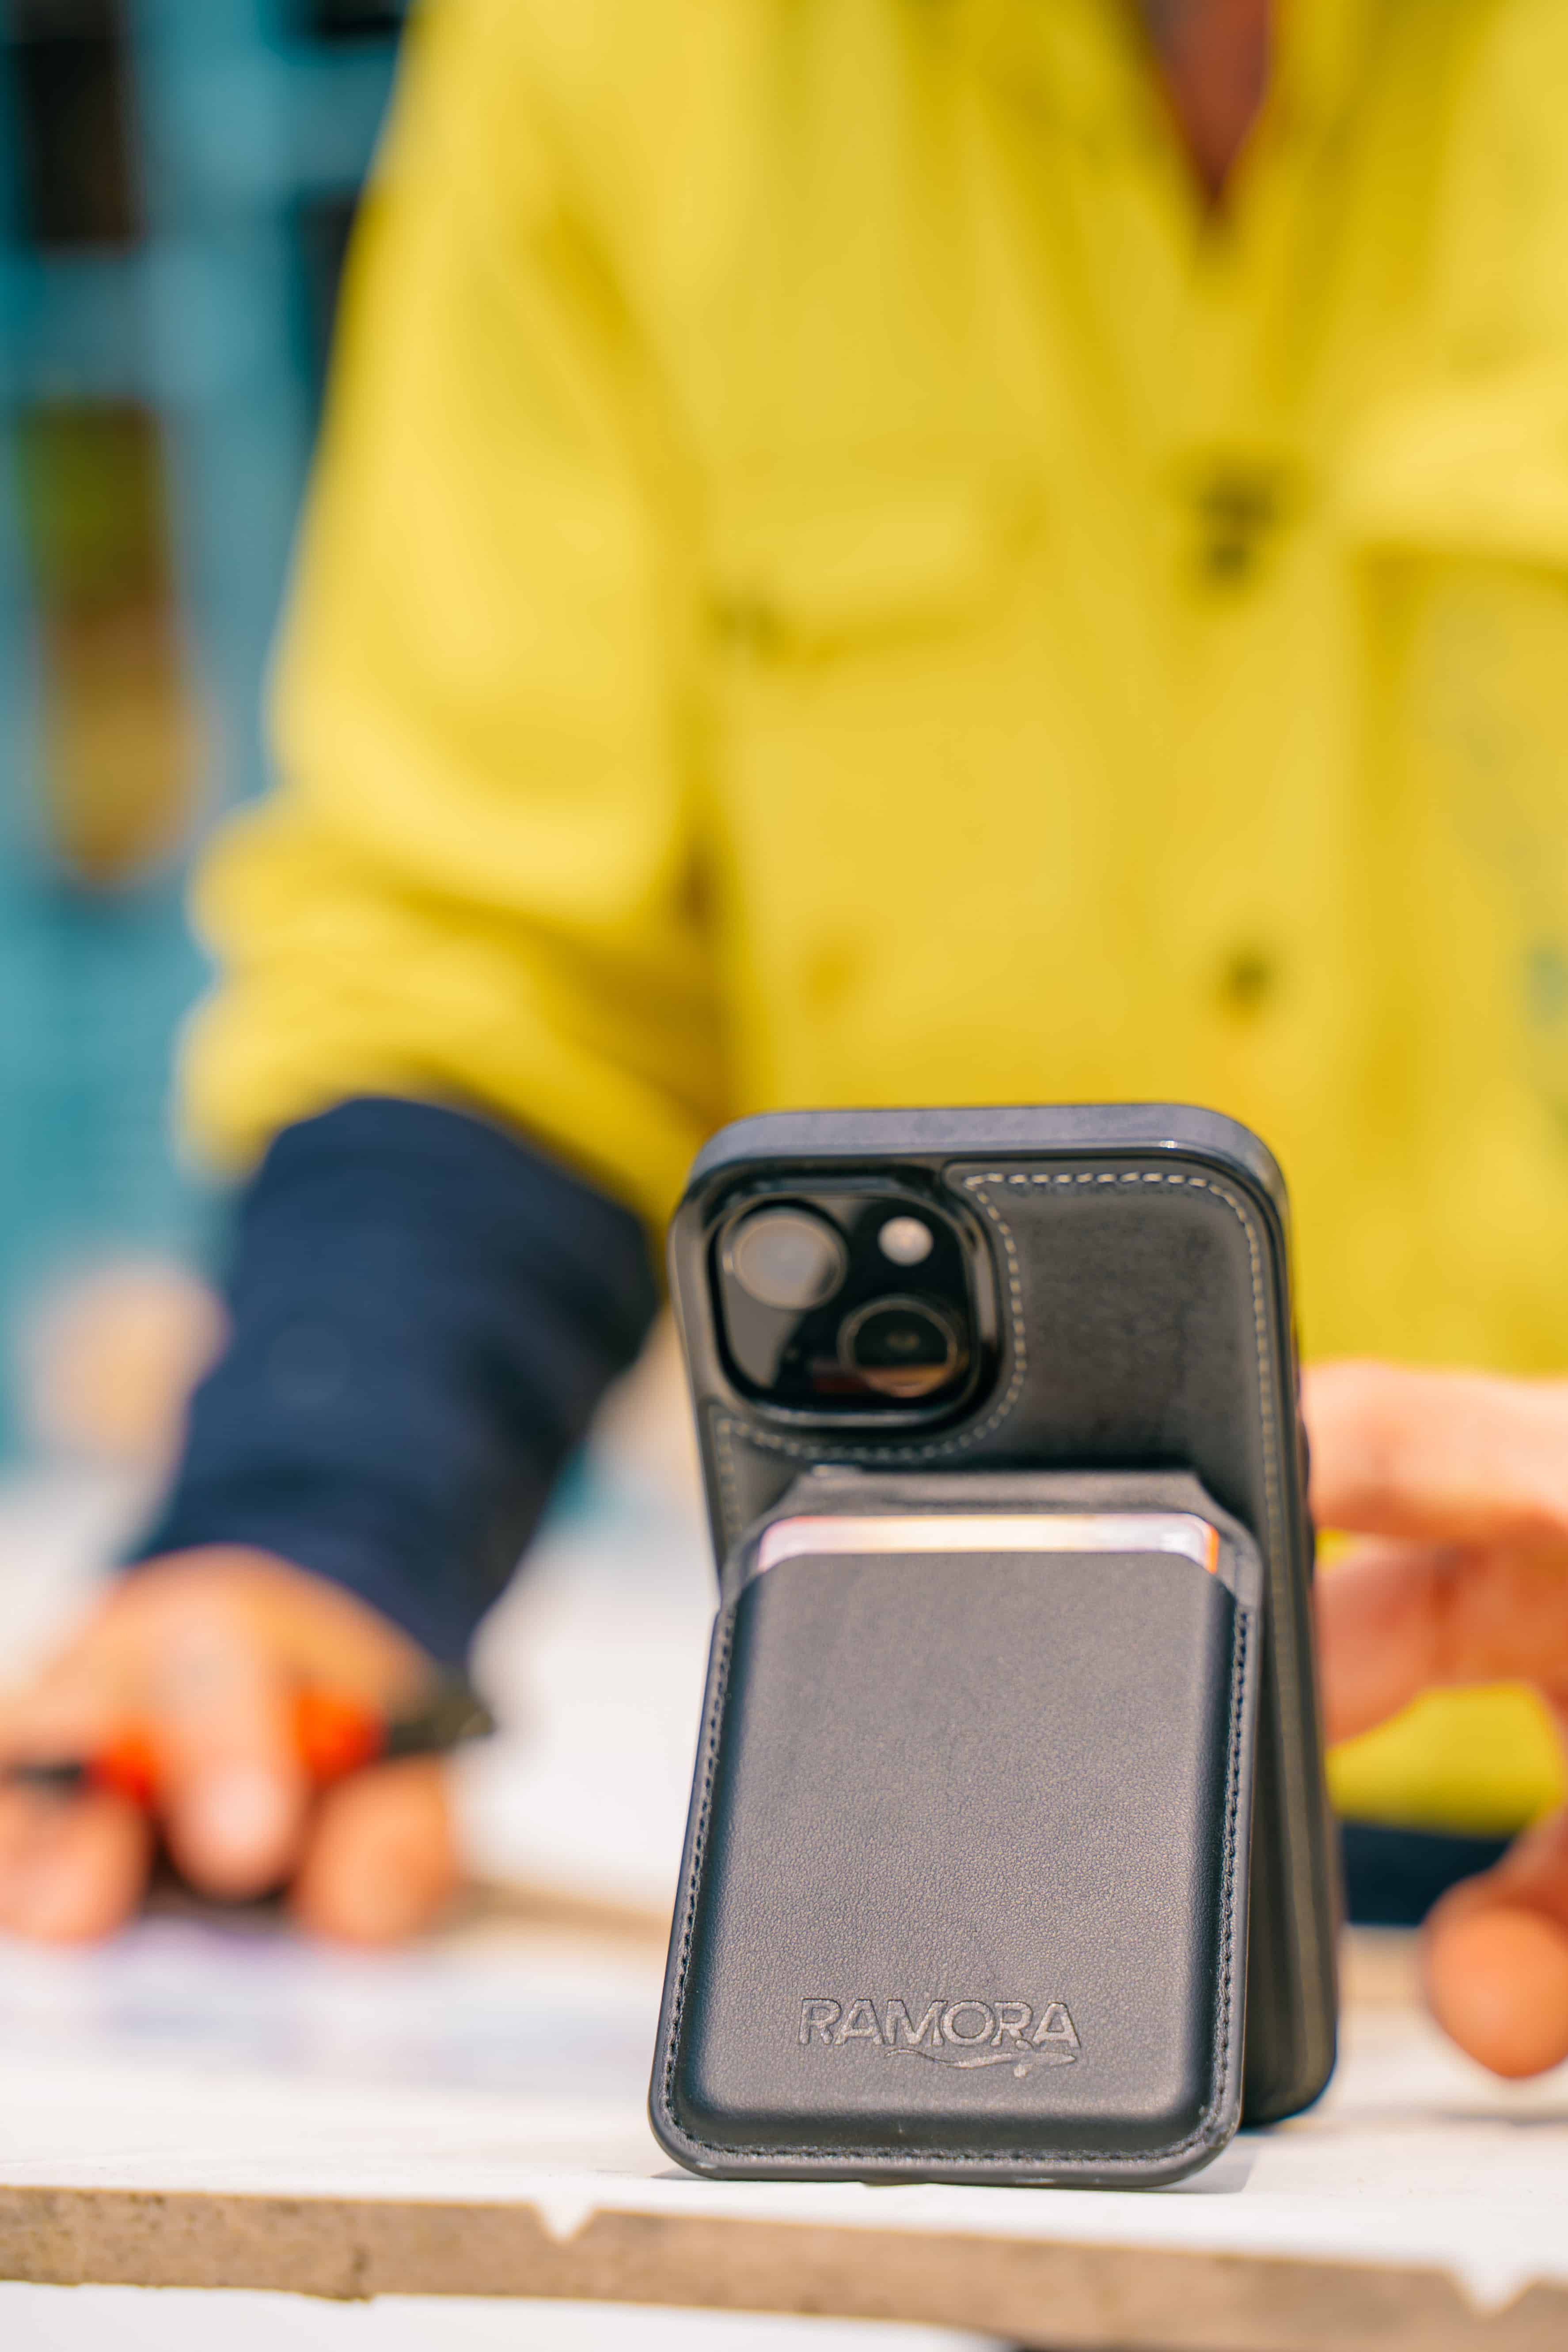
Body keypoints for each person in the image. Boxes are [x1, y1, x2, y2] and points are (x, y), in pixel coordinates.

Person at [3, 0, 1568, 2080]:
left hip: (1487, 1837)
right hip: (958, 1836)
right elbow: (500, 953)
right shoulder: (614, 53)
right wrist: (318, 1512)